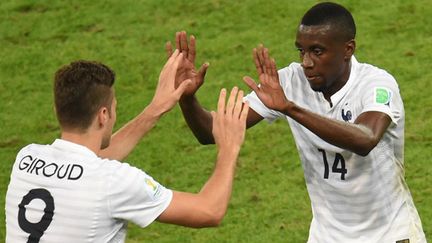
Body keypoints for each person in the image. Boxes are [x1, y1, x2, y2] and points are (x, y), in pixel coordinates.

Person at [171, 2, 426, 243]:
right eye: (301, 51)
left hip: (390, 234)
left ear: (348, 49)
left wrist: (290, 108)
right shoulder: (289, 82)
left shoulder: (377, 85)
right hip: (327, 236)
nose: (306, 62)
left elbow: (365, 138)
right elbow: (210, 132)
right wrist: (187, 97)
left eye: (317, 51)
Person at [5, 49, 249, 242]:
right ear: (103, 115)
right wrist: (229, 148)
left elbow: (87, 162)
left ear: (58, 109)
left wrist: (155, 109)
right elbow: (209, 210)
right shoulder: (114, 182)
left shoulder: (26, 159)